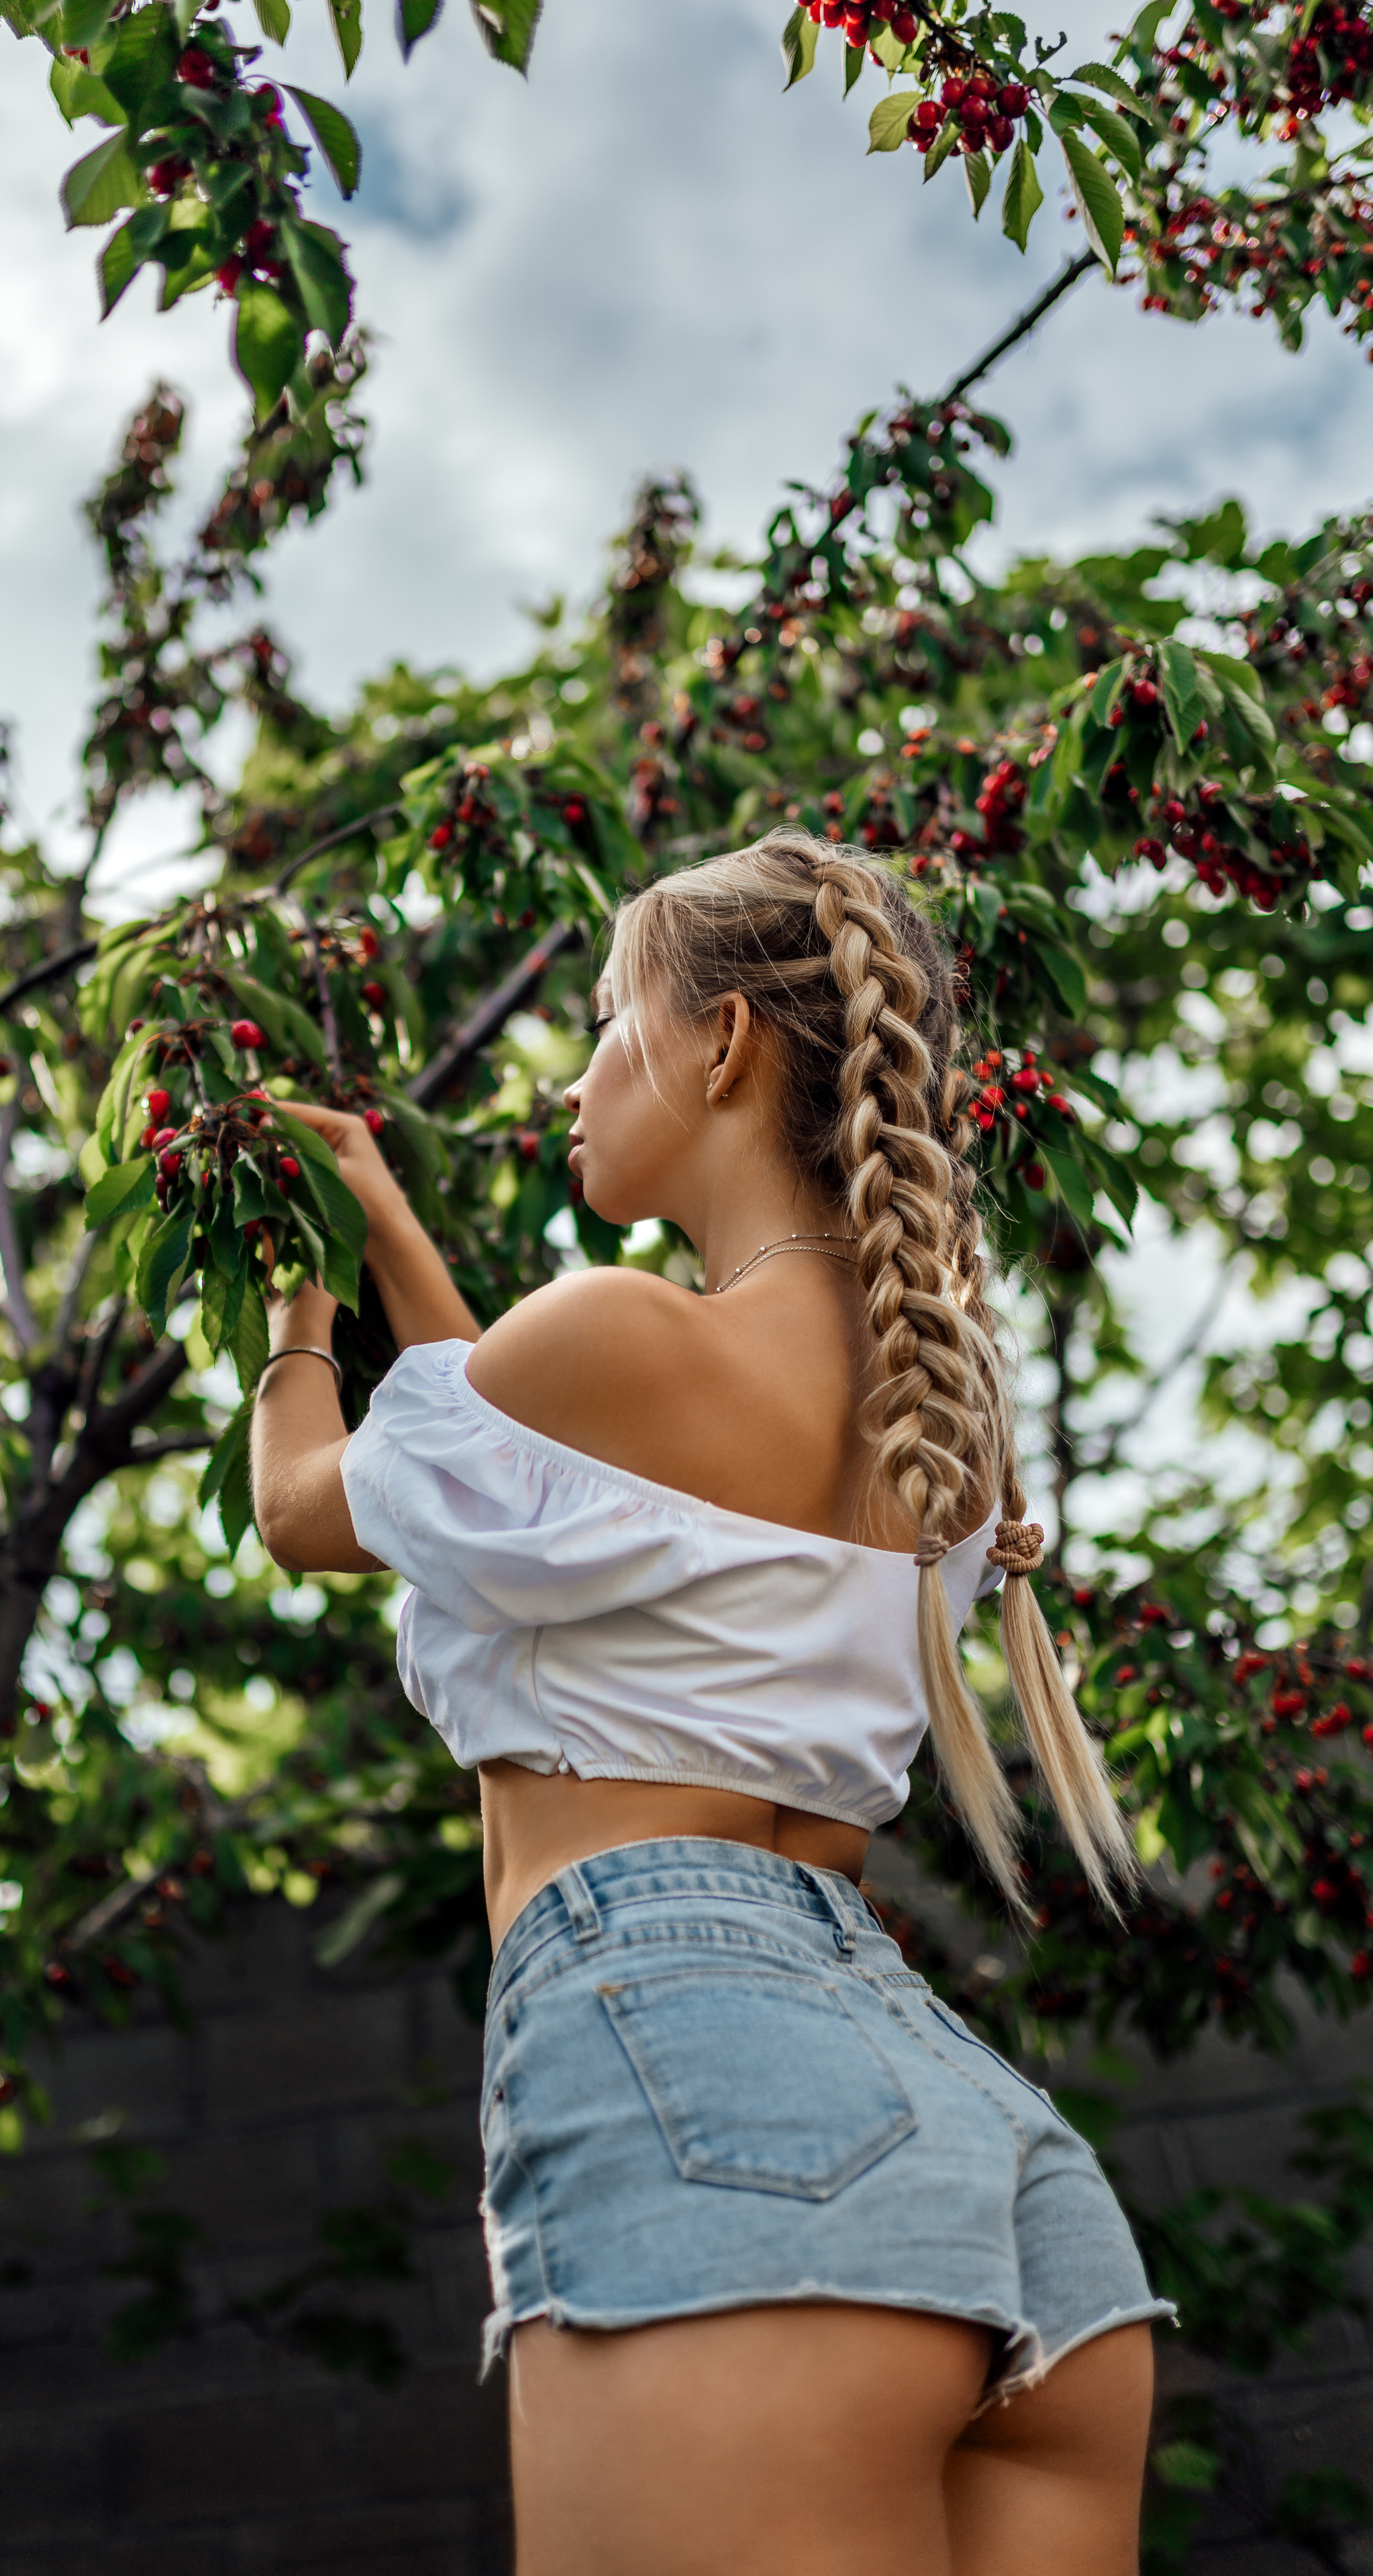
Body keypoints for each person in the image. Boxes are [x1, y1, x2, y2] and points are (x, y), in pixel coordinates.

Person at [250, 830, 1172, 2576]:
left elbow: (310, 1511)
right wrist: (392, 1234)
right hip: (985, 2159)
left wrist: (300, 1293)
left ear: (727, 1045)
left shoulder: (617, 1338)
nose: (585, 1071)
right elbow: (535, 1493)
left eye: (611, 1019)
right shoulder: (940, 1412)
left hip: (709, 2080)